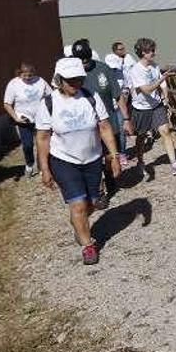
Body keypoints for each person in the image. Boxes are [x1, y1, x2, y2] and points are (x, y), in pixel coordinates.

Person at [35, 58, 121, 265]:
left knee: (91, 204)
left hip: (92, 159)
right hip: (63, 161)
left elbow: (105, 127)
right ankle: (88, 245)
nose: (76, 84)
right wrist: (45, 169)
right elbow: (43, 138)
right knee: (78, 205)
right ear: (59, 80)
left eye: (79, 80)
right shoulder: (49, 103)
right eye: (70, 80)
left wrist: (114, 156)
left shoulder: (91, 98)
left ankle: (78, 221)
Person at [71, 39, 128, 207]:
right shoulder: (72, 74)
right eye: (80, 60)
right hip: (86, 127)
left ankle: (110, 179)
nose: (84, 63)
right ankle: (99, 192)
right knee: (94, 161)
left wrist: (126, 119)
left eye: (86, 59)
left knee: (109, 157)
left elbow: (118, 95)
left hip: (108, 122)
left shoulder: (103, 69)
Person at [127, 37, 176, 176]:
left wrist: (165, 97)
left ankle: (174, 164)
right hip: (141, 108)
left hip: (156, 105)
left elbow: (162, 84)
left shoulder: (154, 66)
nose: (154, 52)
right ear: (143, 52)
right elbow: (147, 89)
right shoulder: (136, 70)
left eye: (154, 50)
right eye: (151, 50)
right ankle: (141, 162)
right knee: (141, 137)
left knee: (165, 131)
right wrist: (162, 78)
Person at [3, 63, 52, 177]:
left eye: (30, 75)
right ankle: (29, 164)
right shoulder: (14, 84)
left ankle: (42, 166)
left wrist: (49, 112)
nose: (28, 78)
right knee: (27, 145)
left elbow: (50, 96)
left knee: (42, 144)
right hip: (23, 120)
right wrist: (16, 118)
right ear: (20, 74)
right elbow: (7, 104)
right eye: (25, 75)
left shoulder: (40, 81)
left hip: (40, 118)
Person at [104, 41, 137, 163]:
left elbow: (127, 87)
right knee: (111, 130)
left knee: (122, 129)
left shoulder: (122, 73)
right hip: (108, 106)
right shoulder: (105, 75)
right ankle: (113, 153)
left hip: (119, 105)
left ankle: (122, 153)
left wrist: (126, 96)